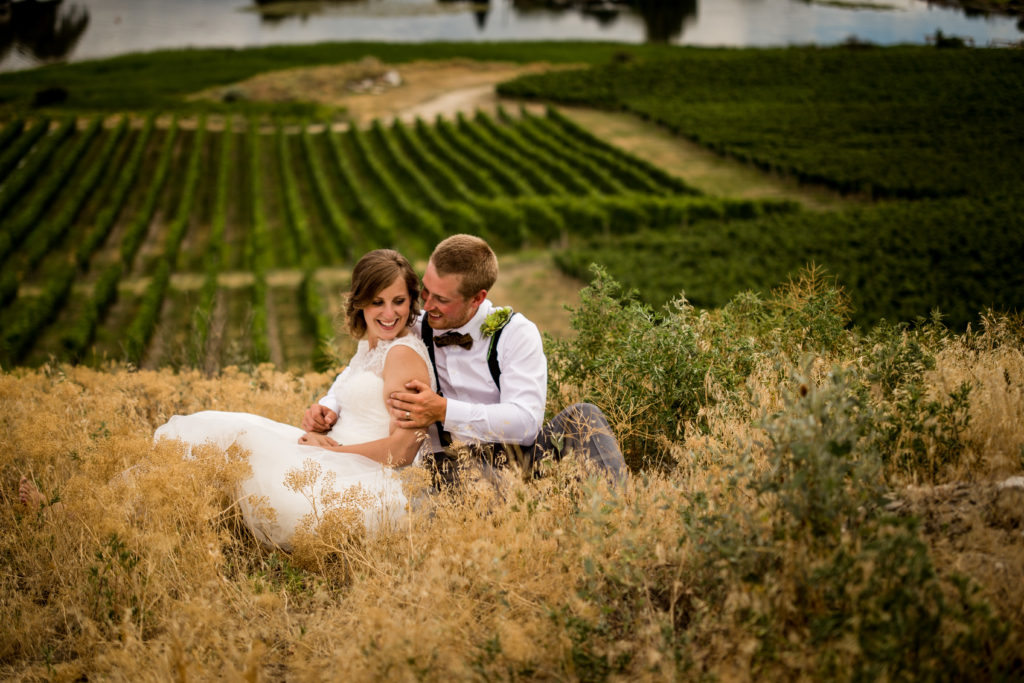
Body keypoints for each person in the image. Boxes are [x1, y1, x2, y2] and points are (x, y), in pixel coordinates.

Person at [154, 249, 435, 550]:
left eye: (399, 301)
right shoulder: (372, 345)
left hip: (367, 476)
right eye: (377, 302)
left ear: (411, 300)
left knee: (245, 446)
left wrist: (333, 452)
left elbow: (403, 451)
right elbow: (354, 396)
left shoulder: (402, 355)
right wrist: (327, 413)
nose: (390, 313)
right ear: (360, 302)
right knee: (224, 431)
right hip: (335, 455)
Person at [304, 235, 627, 488]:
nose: (427, 306)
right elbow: (367, 362)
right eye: (425, 292)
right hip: (452, 464)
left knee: (584, 415)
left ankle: (618, 516)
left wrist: (444, 410)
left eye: (441, 299)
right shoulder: (414, 324)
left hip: (521, 454)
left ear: (477, 298)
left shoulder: (516, 333)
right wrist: (330, 402)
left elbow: (527, 424)